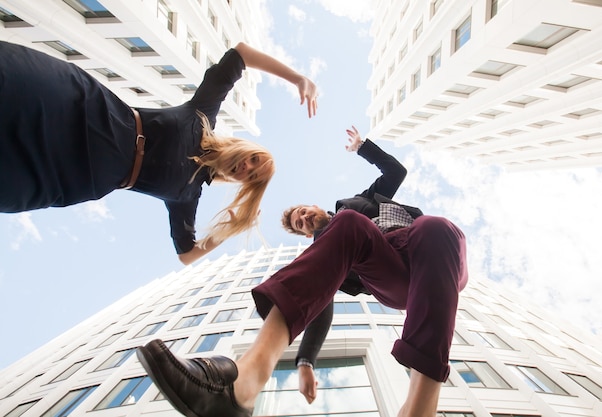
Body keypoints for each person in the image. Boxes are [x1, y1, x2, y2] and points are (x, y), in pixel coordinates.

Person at [137, 127, 468, 417]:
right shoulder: (335, 240)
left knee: (433, 227)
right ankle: (244, 384)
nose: (304, 218)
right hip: (390, 274)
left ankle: (418, 408)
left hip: (433, 252)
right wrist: (305, 361)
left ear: (313, 206)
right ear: (303, 233)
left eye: (303, 212)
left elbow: (396, 171)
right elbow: (320, 304)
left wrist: (363, 146)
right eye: (299, 223)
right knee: (349, 226)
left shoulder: (355, 203)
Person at [0, 40, 318, 264]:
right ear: (244, 147)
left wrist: (223, 232)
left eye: (252, 175)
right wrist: (298, 78)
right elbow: (241, 55)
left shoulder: (189, 194)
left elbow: (186, 254)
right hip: (77, 108)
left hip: (67, 175)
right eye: (253, 158)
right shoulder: (202, 116)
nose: (247, 167)